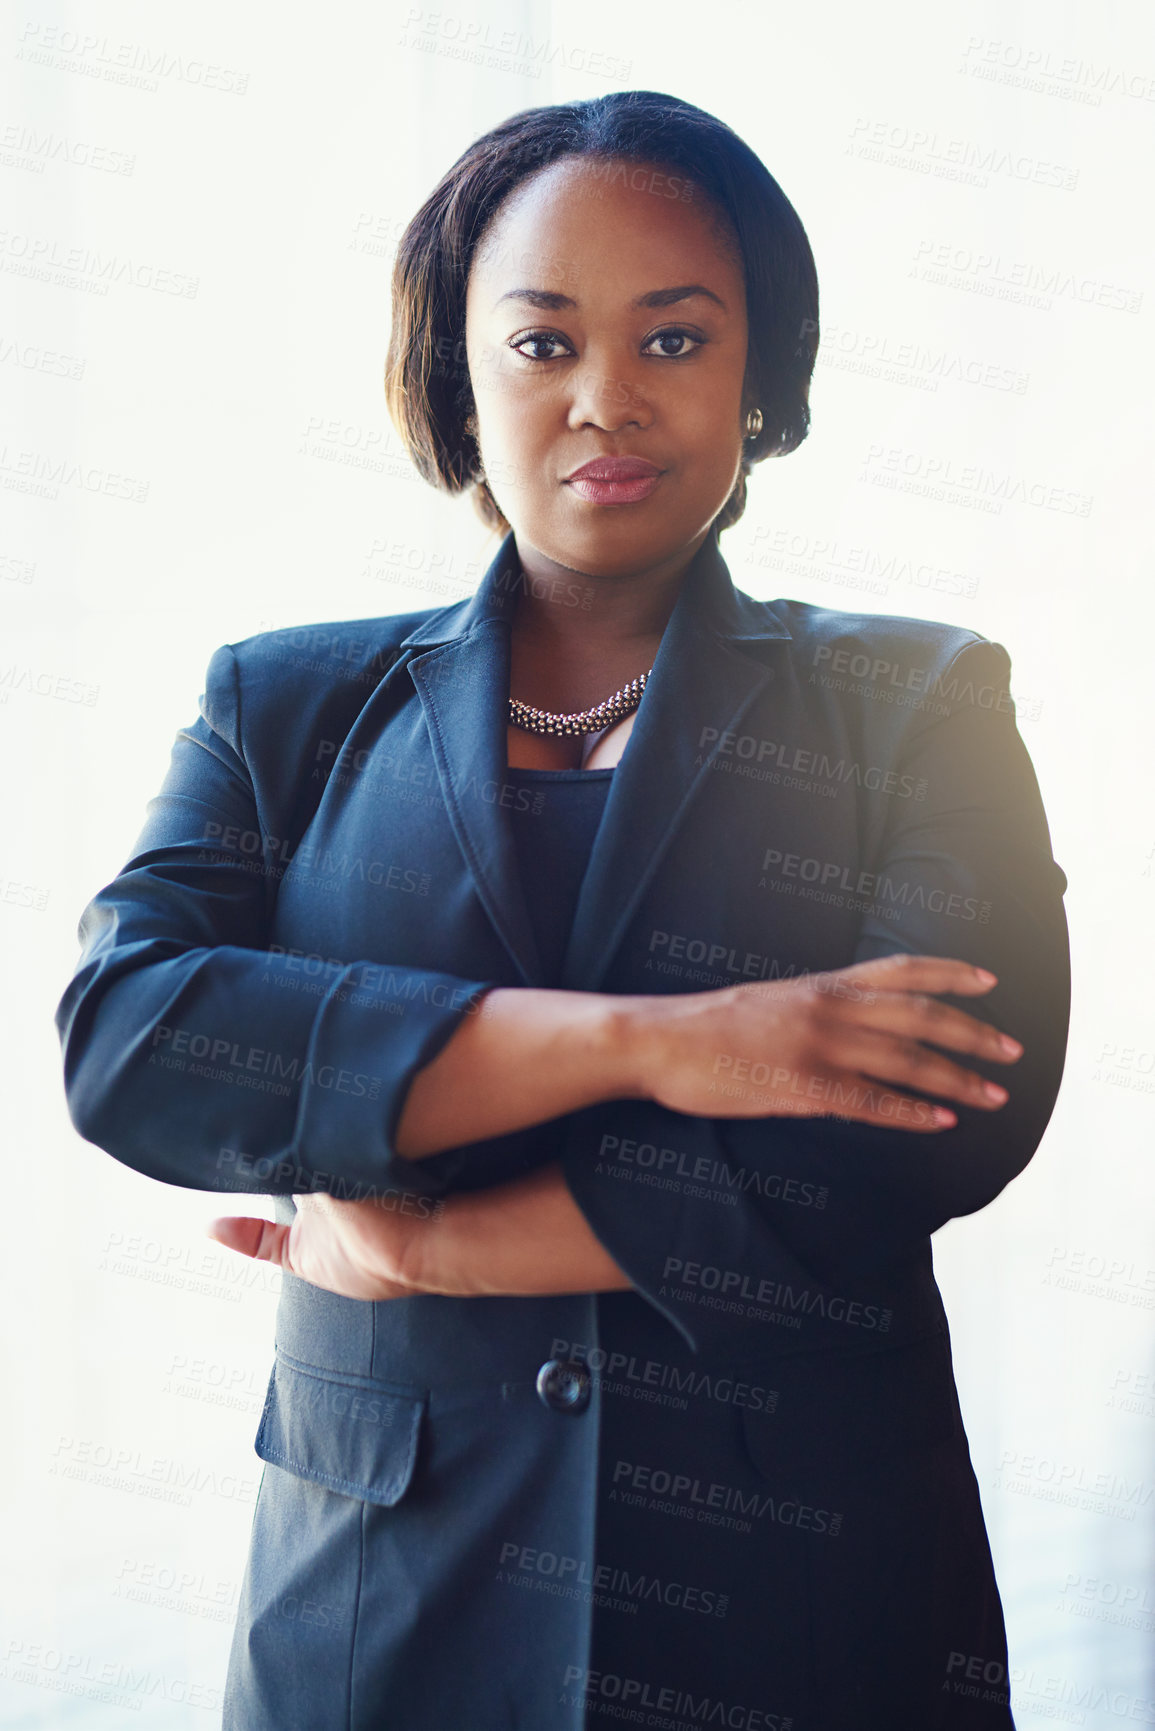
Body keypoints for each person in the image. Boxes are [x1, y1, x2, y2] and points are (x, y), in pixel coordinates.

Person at [55, 91, 1070, 1730]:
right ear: (461, 372)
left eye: (677, 339)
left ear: (762, 371)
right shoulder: (282, 704)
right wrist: (663, 1047)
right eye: (543, 345)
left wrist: (434, 1245)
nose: (610, 398)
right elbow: (139, 1041)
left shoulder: (919, 700)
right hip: (379, 1612)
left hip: (803, 1604)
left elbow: (937, 1114)